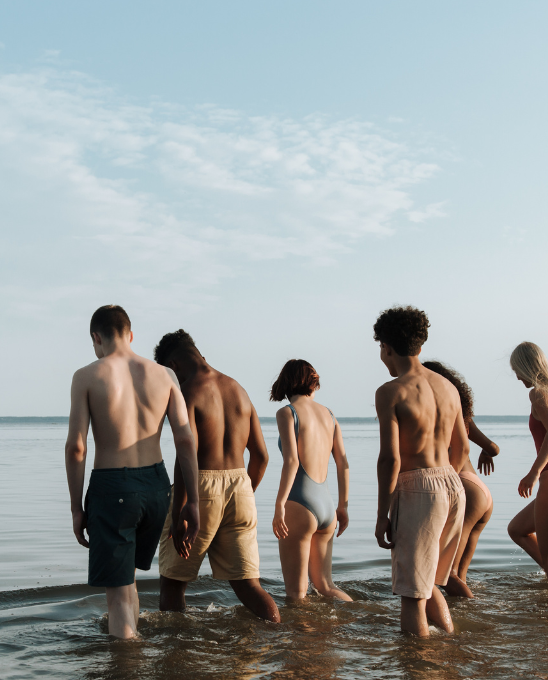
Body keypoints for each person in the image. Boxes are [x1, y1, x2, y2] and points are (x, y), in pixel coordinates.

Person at [65, 305, 199, 639]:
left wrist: (76, 508)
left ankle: (126, 667)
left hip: (113, 488)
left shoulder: (86, 376)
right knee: (128, 583)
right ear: (131, 335)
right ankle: (134, 648)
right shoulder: (165, 375)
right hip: (156, 487)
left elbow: (76, 448)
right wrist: (193, 501)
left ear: (96, 338)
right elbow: (184, 438)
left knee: (117, 599)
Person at [154, 329, 280, 622]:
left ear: (173, 365)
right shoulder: (239, 390)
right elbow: (261, 456)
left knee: (172, 585)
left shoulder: (188, 392)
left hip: (200, 488)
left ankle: (179, 658)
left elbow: (187, 454)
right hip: (240, 487)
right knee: (249, 586)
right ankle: (277, 636)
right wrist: (242, 493)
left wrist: (178, 508)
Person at [373, 306, 468, 637]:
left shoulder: (391, 391)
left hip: (418, 487)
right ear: (420, 344)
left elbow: (390, 459)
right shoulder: (448, 387)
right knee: (429, 586)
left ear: (386, 346)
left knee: (412, 595)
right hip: (453, 485)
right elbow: (464, 449)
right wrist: (443, 486)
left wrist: (382, 514)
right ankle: (447, 652)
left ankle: (418, 667)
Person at [270, 359, 352, 602]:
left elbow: (292, 462)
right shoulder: (330, 415)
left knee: (296, 594)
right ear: (312, 383)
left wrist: (279, 505)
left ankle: (301, 640)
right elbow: (343, 463)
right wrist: (343, 506)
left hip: (299, 504)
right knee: (326, 586)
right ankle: (358, 619)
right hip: (327, 507)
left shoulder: (287, 413)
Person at [423, 361, 499, 598]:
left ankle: (473, 621)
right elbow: (494, 448)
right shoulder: (462, 415)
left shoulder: (436, 413)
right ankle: (464, 617)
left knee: (448, 576)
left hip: (463, 489)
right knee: (459, 577)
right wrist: (485, 452)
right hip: (482, 494)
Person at [507, 341, 548, 575]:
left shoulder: (539, 394)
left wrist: (533, 474)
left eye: (517, 371)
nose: (517, 378)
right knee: (517, 529)